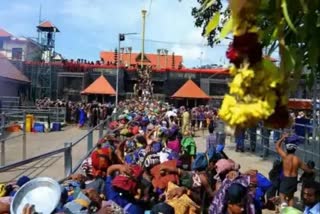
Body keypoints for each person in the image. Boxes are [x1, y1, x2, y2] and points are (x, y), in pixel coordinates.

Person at [275, 133, 314, 207]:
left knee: (281, 195)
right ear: (295, 148)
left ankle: (284, 208)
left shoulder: (285, 156)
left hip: (286, 179)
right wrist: (313, 171)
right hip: (293, 180)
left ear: (287, 148)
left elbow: (277, 147)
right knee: (290, 197)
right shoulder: (298, 160)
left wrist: (282, 138)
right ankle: (290, 211)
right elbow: (307, 170)